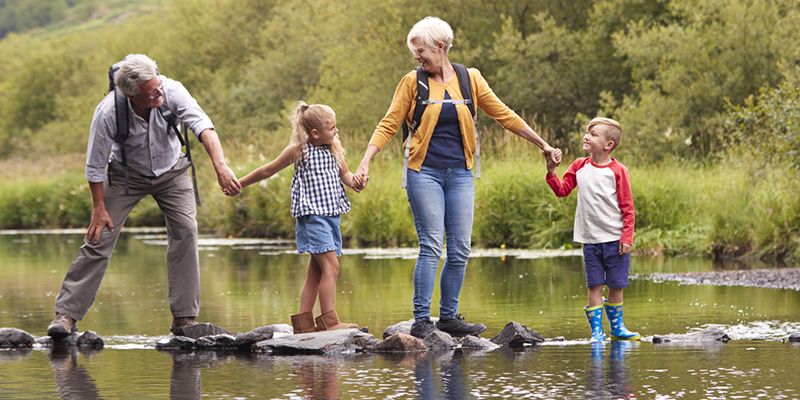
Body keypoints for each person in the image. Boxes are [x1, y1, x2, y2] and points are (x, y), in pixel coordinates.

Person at [354, 16, 562, 339]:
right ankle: (422, 319)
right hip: (424, 173)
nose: (417, 58)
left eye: (421, 50)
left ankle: (449, 316)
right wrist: (366, 160)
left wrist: (543, 144)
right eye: (414, 53)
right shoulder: (413, 82)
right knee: (432, 244)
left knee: (461, 248)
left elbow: (504, 115)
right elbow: (389, 123)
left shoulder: (470, 79)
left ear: (441, 46)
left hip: (461, 174)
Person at [47, 54, 241, 339]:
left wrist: (221, 166)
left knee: (186, 232)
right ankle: (66, 316)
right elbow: (94, 164)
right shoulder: (108, 112)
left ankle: (184, 319)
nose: (158, 92)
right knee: (99, 237)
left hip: (173, 172)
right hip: (126, 177)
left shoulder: (172, 90)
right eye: (151, 92)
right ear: (132, 95)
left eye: (157, 85)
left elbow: (204, 128)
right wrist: (99, 207)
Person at [237, 101, 362, 333]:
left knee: (316, 271)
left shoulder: (334, 148)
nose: (336, 131)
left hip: (331, 215)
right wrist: (240, 183)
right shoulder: (299, 150)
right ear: (315, 133)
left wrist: (356, 182)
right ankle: (329, 320)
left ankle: (303, 324)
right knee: (332, 267)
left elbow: (345, 174)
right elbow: (268, 170)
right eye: (332, 128)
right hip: (312, 216)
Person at [544, 117, 640, 342]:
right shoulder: (579, 166)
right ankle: (597, 332)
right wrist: (551, 172)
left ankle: (617, 328)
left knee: (616, 284)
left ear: (609, 145)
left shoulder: (618, 171)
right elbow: (562, 190)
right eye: (587, 132)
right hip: (590, 240)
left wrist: (627, 237)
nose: (586, 136)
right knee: (594, 284)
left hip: (615, 240)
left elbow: (628, 207)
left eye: (594, 134)